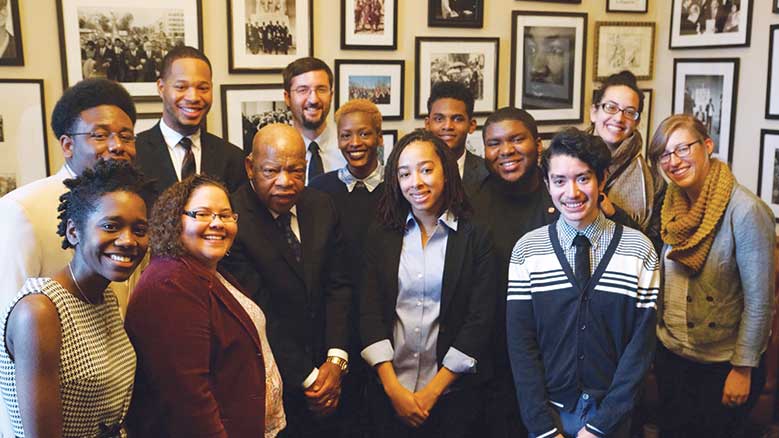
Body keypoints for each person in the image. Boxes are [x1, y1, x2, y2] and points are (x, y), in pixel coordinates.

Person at [507, 128, 659, 438]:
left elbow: (640, 348)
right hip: (549, 415)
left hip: (613, 417)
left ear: (602, 180)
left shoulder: (639, 249)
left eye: (583, 178)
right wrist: (542, 427)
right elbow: (521, 346)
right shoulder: (526, 250)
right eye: (560, 181)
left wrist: (602, 425)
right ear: (547, 185)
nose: (572, 192)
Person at [359, 129, 496, 438]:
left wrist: (432, 392)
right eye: (405, 173)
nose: (415, 182)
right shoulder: (381, 235)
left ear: (446, 173)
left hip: (455, 398)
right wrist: (394, 390)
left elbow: (480, 320)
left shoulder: (476, 236)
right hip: (388, 396)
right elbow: (368, 313)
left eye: (426, 169)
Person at [125, 174, 285, 438]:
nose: (216, 224)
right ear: (175, 220)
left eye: (225, 215)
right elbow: (188, 399)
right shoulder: (170, 283)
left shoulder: (206, 271)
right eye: (202, 214)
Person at [0, 160, 150, 437]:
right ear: (73, 231)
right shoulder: (39, 310)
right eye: (110, 226)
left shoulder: (104, 298)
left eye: (139, 230)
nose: (128, 240)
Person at [220, 124, 352, 438]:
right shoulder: (232, 218)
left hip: (332, 374)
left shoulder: (320, 205)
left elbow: (339, 285)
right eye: (272, 170)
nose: (285, 182)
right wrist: (312, 381)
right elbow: (258, 311)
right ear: (251, 167)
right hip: (272, 382)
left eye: (296, 171)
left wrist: (335, 360)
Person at [647, 114, 775, 438]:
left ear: (707, 146)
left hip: (722, 366)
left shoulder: (746, 211)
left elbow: (760, 303)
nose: (673, 161)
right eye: (665, 154)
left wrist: (742, 369)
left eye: (683, 149)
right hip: (673, 358)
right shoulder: (669, 205)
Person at [0, 77, 138, 312]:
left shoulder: (134, 208)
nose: (117, 146)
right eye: (100, 135)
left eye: (126, 137)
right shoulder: (22, 209)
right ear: (67, 146)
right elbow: (7, 316)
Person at [309, 99, 384, 437]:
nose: (355, 143)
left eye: (365, 133)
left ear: (380, 137)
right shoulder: (320, 190)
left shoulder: (397, 187)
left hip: (385, 313)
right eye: (346, 135)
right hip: (335, 315)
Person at [134, 46, 246, 203]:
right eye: (181, 87)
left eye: (203, 88)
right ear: (161, 88)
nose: (193, 97)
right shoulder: (134, 153)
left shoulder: (232, 158)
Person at [589, 70, 664, 246]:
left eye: (629, 112)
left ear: (637, 122)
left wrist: (615, 215)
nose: (619, 118)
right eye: (611, 107)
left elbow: (653, 246)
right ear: (594, 112)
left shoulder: (653, 182)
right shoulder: (564, 160)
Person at [283, 57, 346, 184]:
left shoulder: (349, 150)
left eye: (321, 89)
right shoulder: (277, 154)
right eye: (303, 90)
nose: (314, 100)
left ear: (331, 95)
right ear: (287, 98)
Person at [424, 81, 488, 196]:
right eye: (439, 119)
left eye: (457, 119)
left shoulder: (488, 173)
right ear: (428, 124)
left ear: (471, 125)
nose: (448, 126)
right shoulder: (412, 173)